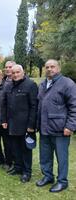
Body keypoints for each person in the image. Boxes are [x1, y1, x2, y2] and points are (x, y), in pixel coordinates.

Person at [36, 59, 76, 192]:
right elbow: (39, 106)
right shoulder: (42, 85)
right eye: (47, 67)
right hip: (44, 128)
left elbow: (74, 106)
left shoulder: (67, 83)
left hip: (60, 129)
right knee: (45, 156)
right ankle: (48, 176)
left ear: (58, 68)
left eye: (52, 66)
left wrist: (70, 126)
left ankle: (62, 181)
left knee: (62, 157)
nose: (49, 69)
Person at [1, 65, 38, 183]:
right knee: (14, 148)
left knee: (26, 149)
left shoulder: (31, 85)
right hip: (11, 123)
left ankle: (27, 172)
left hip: (26, 125)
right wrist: (4, 120)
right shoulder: (8, 86)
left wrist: (31, 125)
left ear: (23, 72)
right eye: (13, 73)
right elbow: (4, 105)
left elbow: (34, 106)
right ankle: (17, 167)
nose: (15, 75)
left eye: (18, 72)